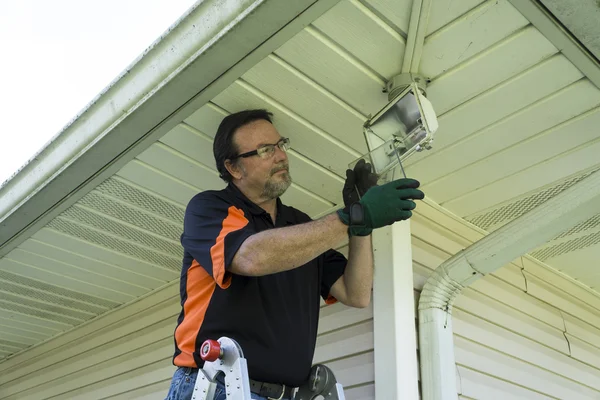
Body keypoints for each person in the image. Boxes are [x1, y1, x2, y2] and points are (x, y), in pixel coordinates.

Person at [165, 109, 424, 400]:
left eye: (280, 145)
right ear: (234, 168)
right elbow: (251, 257)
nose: (280, 156)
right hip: (215, 387)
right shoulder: (210, 208)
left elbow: (357, 293)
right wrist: (352, 218)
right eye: (265, 150)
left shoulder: (301, 227)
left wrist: (361, 228)